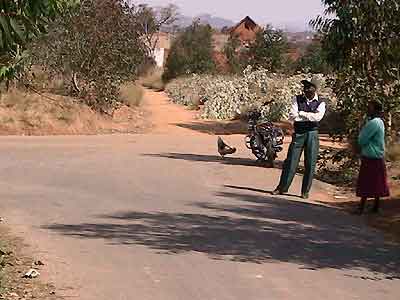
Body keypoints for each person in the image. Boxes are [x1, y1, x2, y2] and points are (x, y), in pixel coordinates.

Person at [272, 76, 327, 199]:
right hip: (299, 133)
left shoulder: (321, 102)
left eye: (309, 88)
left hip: (312, 134)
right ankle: (282, 188)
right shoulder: (296, 99)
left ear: (315, 89)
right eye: (305, 88)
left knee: (311, 162)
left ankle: (305, 191)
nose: (306, 90)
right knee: (291, 160)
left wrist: (302, 114)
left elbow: (317, 118)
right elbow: (293, 116)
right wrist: (308, 116)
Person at [355, 100, 390, 214]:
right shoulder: (380, 122)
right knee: (377, 182)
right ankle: (375, 206)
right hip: (378, 155)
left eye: (370, 108)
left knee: (366, 182)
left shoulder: (373, 123)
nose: (368, 110)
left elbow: (362, 139)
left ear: (375, 110)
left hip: (370, 155)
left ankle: (361, 207)